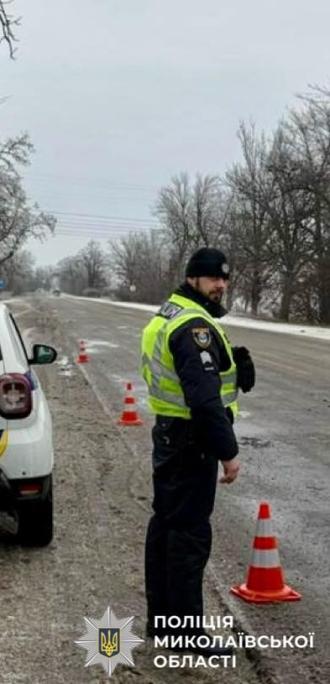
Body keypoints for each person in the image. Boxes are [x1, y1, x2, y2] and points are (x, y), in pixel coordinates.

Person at [140, 247, 256, 657]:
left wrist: (231, 367)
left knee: (167, 527)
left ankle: (163, 622)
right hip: (192, 441)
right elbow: (204, 400)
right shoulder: (193, 327)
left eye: (224, 278)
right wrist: (228, 452)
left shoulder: (170, 312)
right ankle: (186, 634)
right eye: (212, 278)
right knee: (189, 535)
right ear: (194, 279)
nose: (220, 285)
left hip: (171, 434)